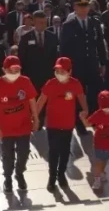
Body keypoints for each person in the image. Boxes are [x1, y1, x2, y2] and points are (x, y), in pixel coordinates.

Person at [0, 56, 39, 193]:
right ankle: (8, 178)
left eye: (17, 70)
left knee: (24, 153)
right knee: (7, 155)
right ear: (4, 70)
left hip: (24, 126)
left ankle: (19, 173)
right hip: (6, 129)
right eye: (11, 70)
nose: (15, 73)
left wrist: (36, 118)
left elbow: (32, 99)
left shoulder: (25, 81)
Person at [37, 57, 88, 191]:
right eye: (57, 70)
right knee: (53, 151)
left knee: (65, 151)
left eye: (62, 70)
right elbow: (41, 100)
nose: (59, 73)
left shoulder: (75, 84)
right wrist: (34, 117)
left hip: (67, 124)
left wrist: (85, 110)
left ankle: (61, 175)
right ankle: (52, 177)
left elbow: (81, 98)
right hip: (52, 123)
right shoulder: (51, 84)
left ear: (70, 71)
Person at [60, 0, 107, 129]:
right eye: (80, 6)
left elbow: (100, 44)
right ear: (75, 8)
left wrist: (103, 63)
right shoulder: (68, 26)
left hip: (92, 65)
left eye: (85, 5)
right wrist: (65, 68)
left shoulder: (95, 23)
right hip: (77, 66)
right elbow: (64, 48)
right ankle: (80, 124)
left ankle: (95, 120)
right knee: (78, 96)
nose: (83, 8)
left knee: (95, 94)